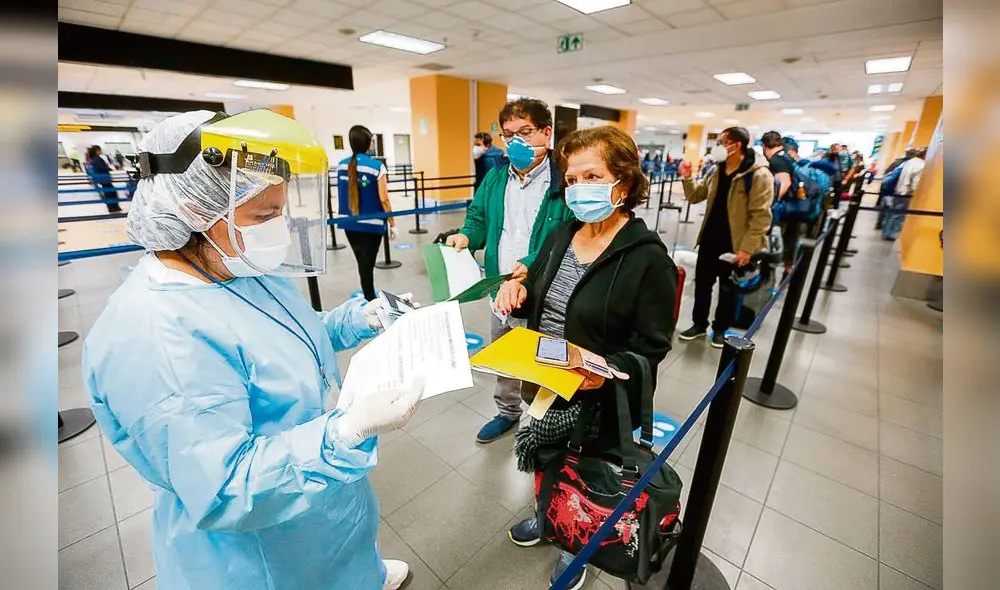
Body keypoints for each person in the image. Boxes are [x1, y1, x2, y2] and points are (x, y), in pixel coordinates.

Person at [83, 109, 423, 590]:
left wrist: (361, 318)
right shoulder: (157, 336)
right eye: (264, 215)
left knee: (344, 563)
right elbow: (225, 488)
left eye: (280, 211)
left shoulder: (234, 265)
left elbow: (288, 338)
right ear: (197, 212)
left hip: (317, 511)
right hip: (262, 554)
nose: (277, 227)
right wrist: (346, 431)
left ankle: (357, 574)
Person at [494, 125, 677, 590]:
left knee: (581, 475)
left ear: (626, 183)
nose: (578, 190)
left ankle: (572, 545)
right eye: (571, 180)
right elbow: (543, 292)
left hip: (594, 396)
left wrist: (601, 374)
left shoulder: (647, 258)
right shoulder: (562, 232)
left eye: (591, 176)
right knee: (542, 456)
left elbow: (651, 346)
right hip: (542, 378)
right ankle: (545, 514)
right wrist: (518, 287)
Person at [446, 97, 575, 443]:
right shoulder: (496, 177)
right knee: (504, 356)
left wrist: (531, 265)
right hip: (499, 289)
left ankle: (542, 422)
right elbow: (478, 217)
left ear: (546, 133)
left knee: (541, 360)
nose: (516, 141)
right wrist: (466, 237)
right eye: (508, 135)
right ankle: (506, 411)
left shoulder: (564, 182)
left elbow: (568, 236)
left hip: (542, 294)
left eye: (525, 132)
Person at [677, 127, 774, 347]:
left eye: (722, 141)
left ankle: (720, 329)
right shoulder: (716, 170)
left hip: (735, 244)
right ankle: (699, 324)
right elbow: (695, 196)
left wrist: (747, 249)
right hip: (710, 239)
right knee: (702, 285)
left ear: (736, 145)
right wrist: (687, 177)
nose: (717, 145)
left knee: (728, 289)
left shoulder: (758, 175)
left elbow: (761, 217)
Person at [337, 125, 396, 301]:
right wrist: (392, 224)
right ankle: (371, 300)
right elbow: (384, 199)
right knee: (367, 265)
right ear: (368, 143)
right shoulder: (376, 166)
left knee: (363, 263)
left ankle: (369, 296)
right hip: (372, 225)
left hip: (349, 224)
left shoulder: (341, 165)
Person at [761, 131, 798, 275]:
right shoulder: (786, 157)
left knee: (775, 238)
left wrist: (769, 202)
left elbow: (784, 182)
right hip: (791, 206)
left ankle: (769, 271)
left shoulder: (777, 160)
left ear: (764, 145)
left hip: (783, 208)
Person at [882, 147, 926, 241]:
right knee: (898, 215)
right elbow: (915, 183)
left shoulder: (909, 162)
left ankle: (886, 231)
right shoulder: (921, 165)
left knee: (892, 213)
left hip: (898, 190)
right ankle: (891, 234)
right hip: (906, 193)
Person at [86, 144, 123, 213]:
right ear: (96, 151)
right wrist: (110, 168)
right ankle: (113, 208)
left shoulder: (95, 158)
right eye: (99, 150)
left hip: (102, 178)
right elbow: (101, 168)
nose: (100, 151)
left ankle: (114, 207)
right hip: (103, 178)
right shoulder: (97, 159)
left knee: (110, 192)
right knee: (110, 192)